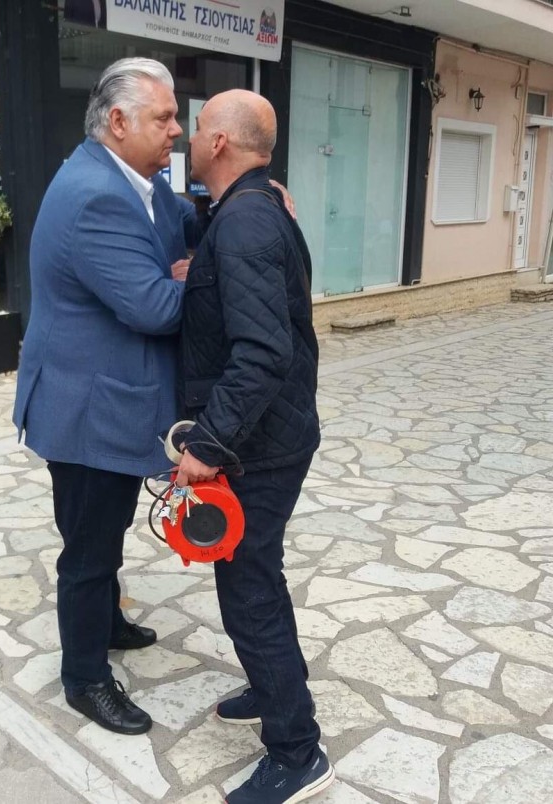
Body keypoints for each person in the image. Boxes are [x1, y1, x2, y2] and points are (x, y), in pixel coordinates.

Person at [13, 58, 198, 735]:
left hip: (107, 399)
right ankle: (85, 677)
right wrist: (198, 279)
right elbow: (154, 306)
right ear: (118, 121)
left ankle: (107, 624)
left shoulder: (137, 182)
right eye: (165, 117)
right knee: (88, 551)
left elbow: (182, 223)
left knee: (106, 532)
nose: (177, 129)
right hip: (85, 410)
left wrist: (243, 211)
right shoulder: (96, 194)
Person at [175, 90, 334, 804]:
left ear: (219, 144)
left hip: (258, 445)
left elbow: (263, 353)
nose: (187, 136)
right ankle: (274, 688)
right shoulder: (249, 209)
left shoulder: (246, 221)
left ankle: (297, 752)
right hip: (270, 435)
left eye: (197, 127)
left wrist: (207, 445)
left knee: (247, 591)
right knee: (257, 577)